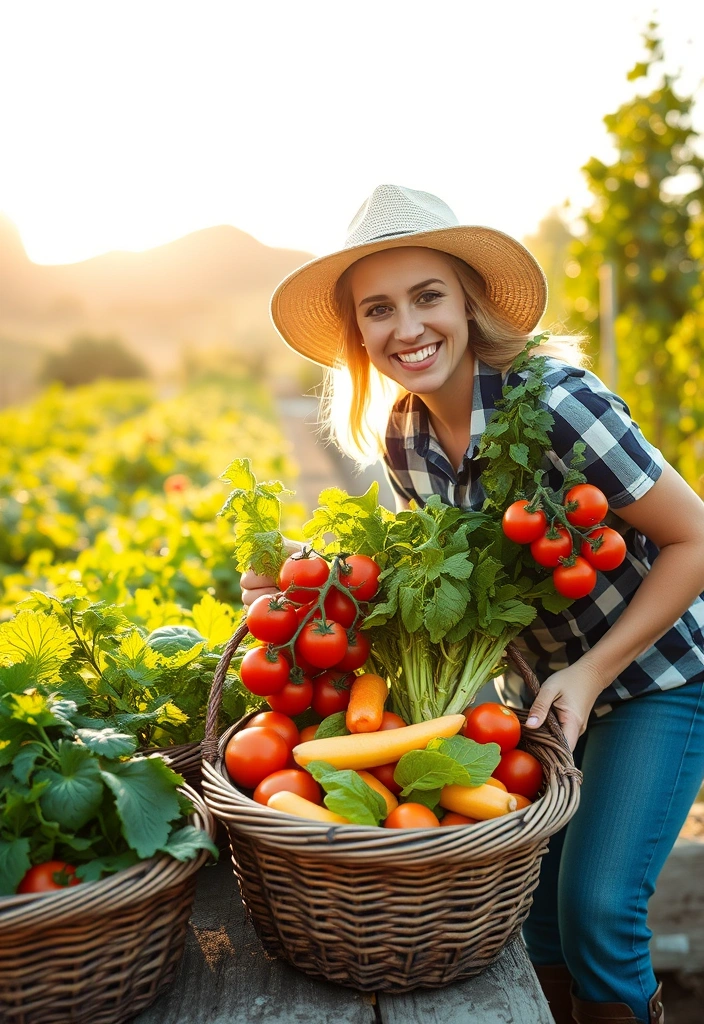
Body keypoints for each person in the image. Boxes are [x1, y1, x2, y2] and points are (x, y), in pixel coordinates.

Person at [241, 184, 704, 1024]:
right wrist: (305, 581)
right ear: (358, 336)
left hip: (659, 675)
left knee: (599, 912)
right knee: (536, 920)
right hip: (544, 696)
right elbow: (421, 572)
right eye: (379, 309)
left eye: (427, 297)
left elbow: (696, 540)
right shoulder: (406, 439)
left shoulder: (564, 406)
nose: (407, 328)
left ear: (469, 301)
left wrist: (594, 673)